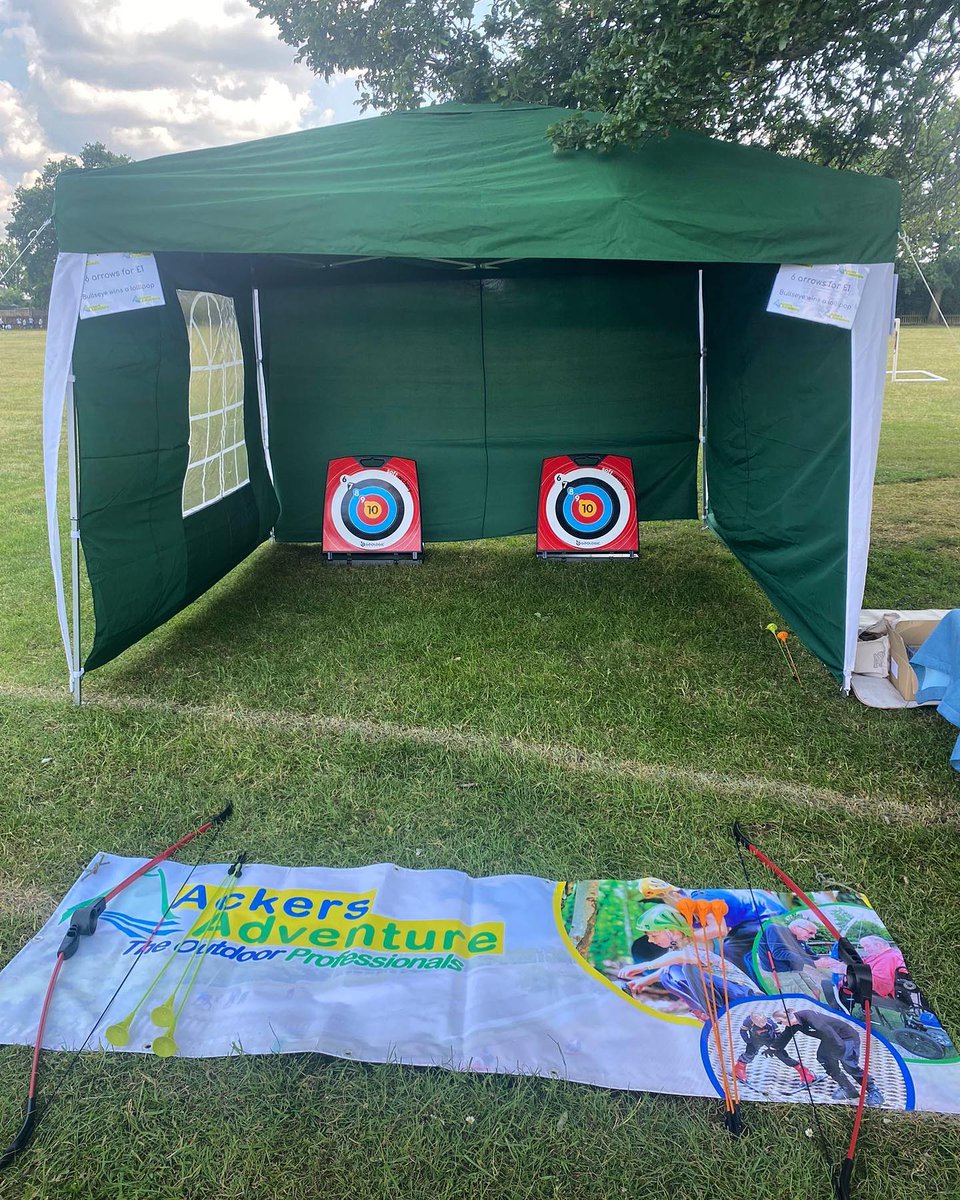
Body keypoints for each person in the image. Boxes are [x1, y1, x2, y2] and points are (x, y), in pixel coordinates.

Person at [618, 904, 759, 1020]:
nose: (650, 940)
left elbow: (682, 957)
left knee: (685, 970)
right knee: (667, 975)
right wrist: (645, 981)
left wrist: (644, 966)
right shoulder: (677, 949)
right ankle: (705, 1012)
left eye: (654, 935)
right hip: (729, 992)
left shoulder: (698, 942)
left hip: (743, 994)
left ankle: (715, 1013)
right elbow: (671, 964)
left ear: (674, 932)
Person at [637, 877, 789, 984]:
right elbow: (692, 954)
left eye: (665, 901)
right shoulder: (691, 919)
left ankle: (754, 991)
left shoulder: (698, 899)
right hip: (752, 920)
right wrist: (646, 979)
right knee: (725, 953)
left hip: (766, 916)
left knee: (732, 951)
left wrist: (684, 938)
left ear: (675, 895)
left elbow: (719, 929)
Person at [736, 1006, 884, 1106]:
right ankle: (849, 1089)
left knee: (849, 1065)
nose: (780, 1025)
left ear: (788, 1017)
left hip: (846, 1038)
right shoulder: (793, 1024)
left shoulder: (809, 1016)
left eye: (780, 1022)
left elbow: (828, 1032)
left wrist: (840, 1052)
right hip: (831, 1040)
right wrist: (773, 1048)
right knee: (824, 1059)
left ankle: (874, 1091)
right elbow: (785, 1037)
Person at [757, 917, 841, 998]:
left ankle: (814, 1009)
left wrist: (828, 962)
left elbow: (809, 953)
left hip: (795, 968)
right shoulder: (775, 929)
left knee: (816, 991)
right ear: (797, 928)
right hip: (780, 971)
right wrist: (813, 963)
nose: (813, 937)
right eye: (811, 933)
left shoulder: (799, 938)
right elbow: (779, 953)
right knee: (806, 998)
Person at [858, 935, 906, 1000]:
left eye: (867, 946)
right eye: (863, 947)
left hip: (882, 996)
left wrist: (847, 970)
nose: (865, 950)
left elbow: (883, 987)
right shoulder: (881, 954)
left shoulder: (888, 958)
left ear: (879, 944)